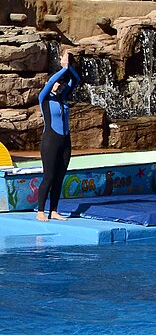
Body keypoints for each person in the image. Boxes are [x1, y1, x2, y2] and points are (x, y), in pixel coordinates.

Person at [34, 50, 80, 221]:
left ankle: (53, 210)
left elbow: (76, 80)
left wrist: (69, 67)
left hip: (65, 141)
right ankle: (40, 211)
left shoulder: (63, 97)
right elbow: (52, 81)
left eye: (61, 83)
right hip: (50, 141)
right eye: (57, 83)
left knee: (60, 177)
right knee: (49, 176)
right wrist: (63, 69)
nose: (59, 85)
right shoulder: (44, 98)